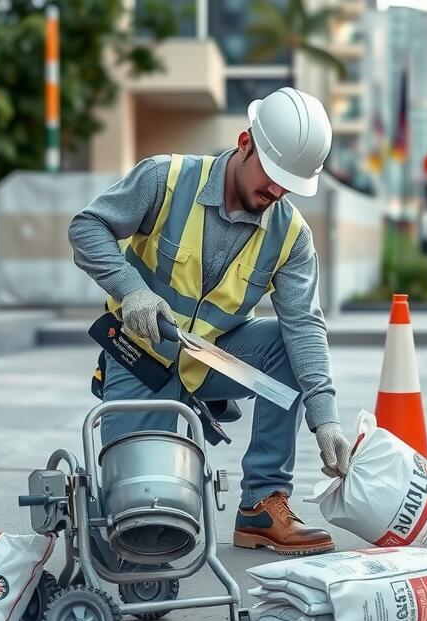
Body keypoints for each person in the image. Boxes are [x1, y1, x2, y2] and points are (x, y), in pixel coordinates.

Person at [69, 87, 349, 556]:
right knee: (140, 512)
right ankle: (131, 524)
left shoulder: (292, 234)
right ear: (244, 143)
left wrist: (325, 419)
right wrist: (131, 290)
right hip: (142, 355)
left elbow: (304, 327)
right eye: (273, 175)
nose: (277, 192)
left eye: (290, 185)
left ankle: (262, 503)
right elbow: (87, 228)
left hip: (214, 358)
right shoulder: (166, 178)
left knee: (285, 345)